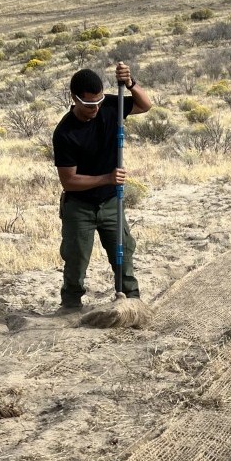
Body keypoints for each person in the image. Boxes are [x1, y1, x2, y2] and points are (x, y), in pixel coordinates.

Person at [52, 62, 152, 311]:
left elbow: (145, 105)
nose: (95, 108)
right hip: (79, 206)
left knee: (124, 253)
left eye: (98, 101)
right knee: (76, 259)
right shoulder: (65, 133)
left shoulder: (111, 105)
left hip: (111, 202)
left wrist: (130, 83)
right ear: (73, 98)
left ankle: (132, 301)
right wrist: (107, 178)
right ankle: (71, 306)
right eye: (88, 104)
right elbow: (69, 181)